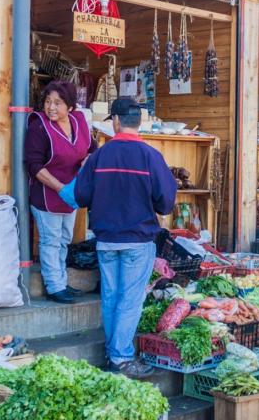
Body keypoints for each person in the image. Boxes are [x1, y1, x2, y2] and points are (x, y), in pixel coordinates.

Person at [61, 98, 177, 378]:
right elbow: (166, 202)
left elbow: (79, 196)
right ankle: (121, 357)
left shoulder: (100, 156)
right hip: (138, 241)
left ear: (115, 122)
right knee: (130, 300)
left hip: (106, 240)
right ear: (140, 122)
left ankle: (115, 352)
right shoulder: (151, 156)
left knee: (111, 297)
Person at [24, 81, 94, 304]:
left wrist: (88, 160)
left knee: (65, 238)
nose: (51, 107)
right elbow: (34, 165)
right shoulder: (39, 125)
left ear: (71, 107)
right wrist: (60, 188)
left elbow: (92, 148)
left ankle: (62, 282)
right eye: (47, 101)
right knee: (51, 240)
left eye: (58, 103)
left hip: (71, 194)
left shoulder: (80, 121)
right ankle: (54, 286)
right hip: (47, 193)